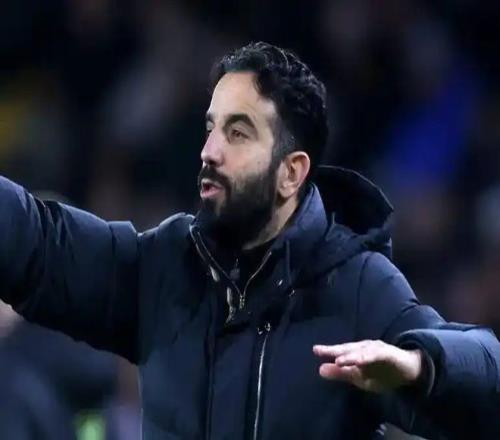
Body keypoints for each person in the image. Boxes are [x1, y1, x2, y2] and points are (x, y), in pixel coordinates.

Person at [0, 42, 499, 440]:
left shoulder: (355, 286)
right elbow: (43, 243)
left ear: (291, 172)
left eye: (237, 133)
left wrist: (420, 366)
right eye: (211, 128)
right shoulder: (165, 265)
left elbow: (488, 370)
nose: (209, 151)